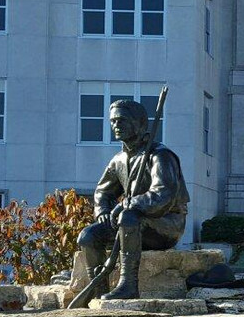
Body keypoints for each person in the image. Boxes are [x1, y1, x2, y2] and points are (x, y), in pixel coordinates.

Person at [77, 99, 189, 300]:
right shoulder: (118, 160)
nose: (116, 126)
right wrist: (102, 212)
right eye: (113, 121)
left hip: (165, 226)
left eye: (122, 120)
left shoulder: (160, 155)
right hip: (130, 224)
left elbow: (163, 194)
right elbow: (103, 192)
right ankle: (98, 289)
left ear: (139, 123)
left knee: (128, 217)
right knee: (88, 236)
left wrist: (127, 204)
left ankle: (128, 286)